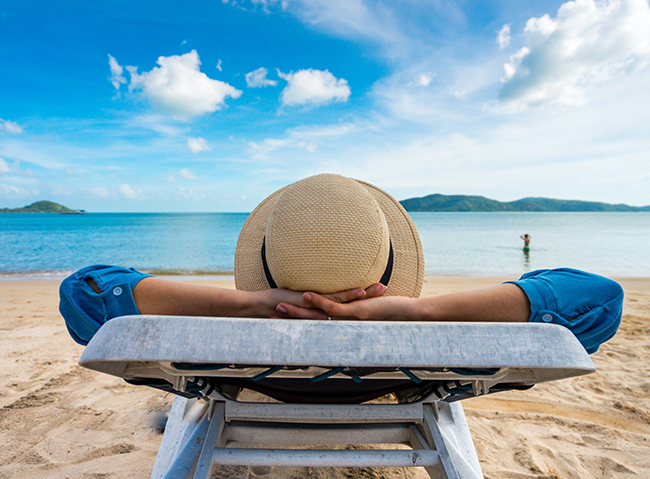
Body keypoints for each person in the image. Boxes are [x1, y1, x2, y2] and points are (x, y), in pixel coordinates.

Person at [60, 174, 623, 355]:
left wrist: (252, 307)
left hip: (268, 381)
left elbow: (87, 292)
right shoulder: (407, 334)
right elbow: (596, 297)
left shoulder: (241, 332)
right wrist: (417, 312)